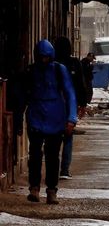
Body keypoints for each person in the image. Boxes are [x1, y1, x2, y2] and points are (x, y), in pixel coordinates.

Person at [13, 40, 78, 204]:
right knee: (35, 154)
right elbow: (22, 97)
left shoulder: (59, 70)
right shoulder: (31, 71)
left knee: (52, 155)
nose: (43, 61)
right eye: (41, 57)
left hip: (56, 117)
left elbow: (70, 92)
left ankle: (51, 189)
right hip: (36, 115)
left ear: (51, 56)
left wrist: (71, 118)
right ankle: (34, 188)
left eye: (46, 58)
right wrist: (18, 120)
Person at [53, 37, 87, 180]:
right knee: (68, 136)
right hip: (69, 106)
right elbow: (81, 84)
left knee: (54, 138)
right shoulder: (73, 63)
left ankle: (55, 169)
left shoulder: (52, 64)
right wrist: (82, 104)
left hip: (53, 106)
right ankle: (64, 170)